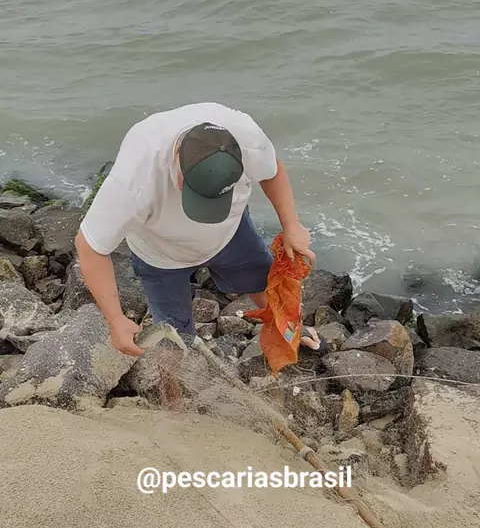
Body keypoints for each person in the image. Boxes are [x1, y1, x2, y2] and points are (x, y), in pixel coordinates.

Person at [75, 102, 319, 357]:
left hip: (231, 233)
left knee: (265, 283)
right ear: (176, 161)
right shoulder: (135, 178)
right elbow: (89, 245)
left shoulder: (245, 135)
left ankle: (289, 332)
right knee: (173, 340)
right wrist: (115, 320)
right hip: (161, 255)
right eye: (199, 196)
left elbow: (271, 170)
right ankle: (174, 380)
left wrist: (291, 225)